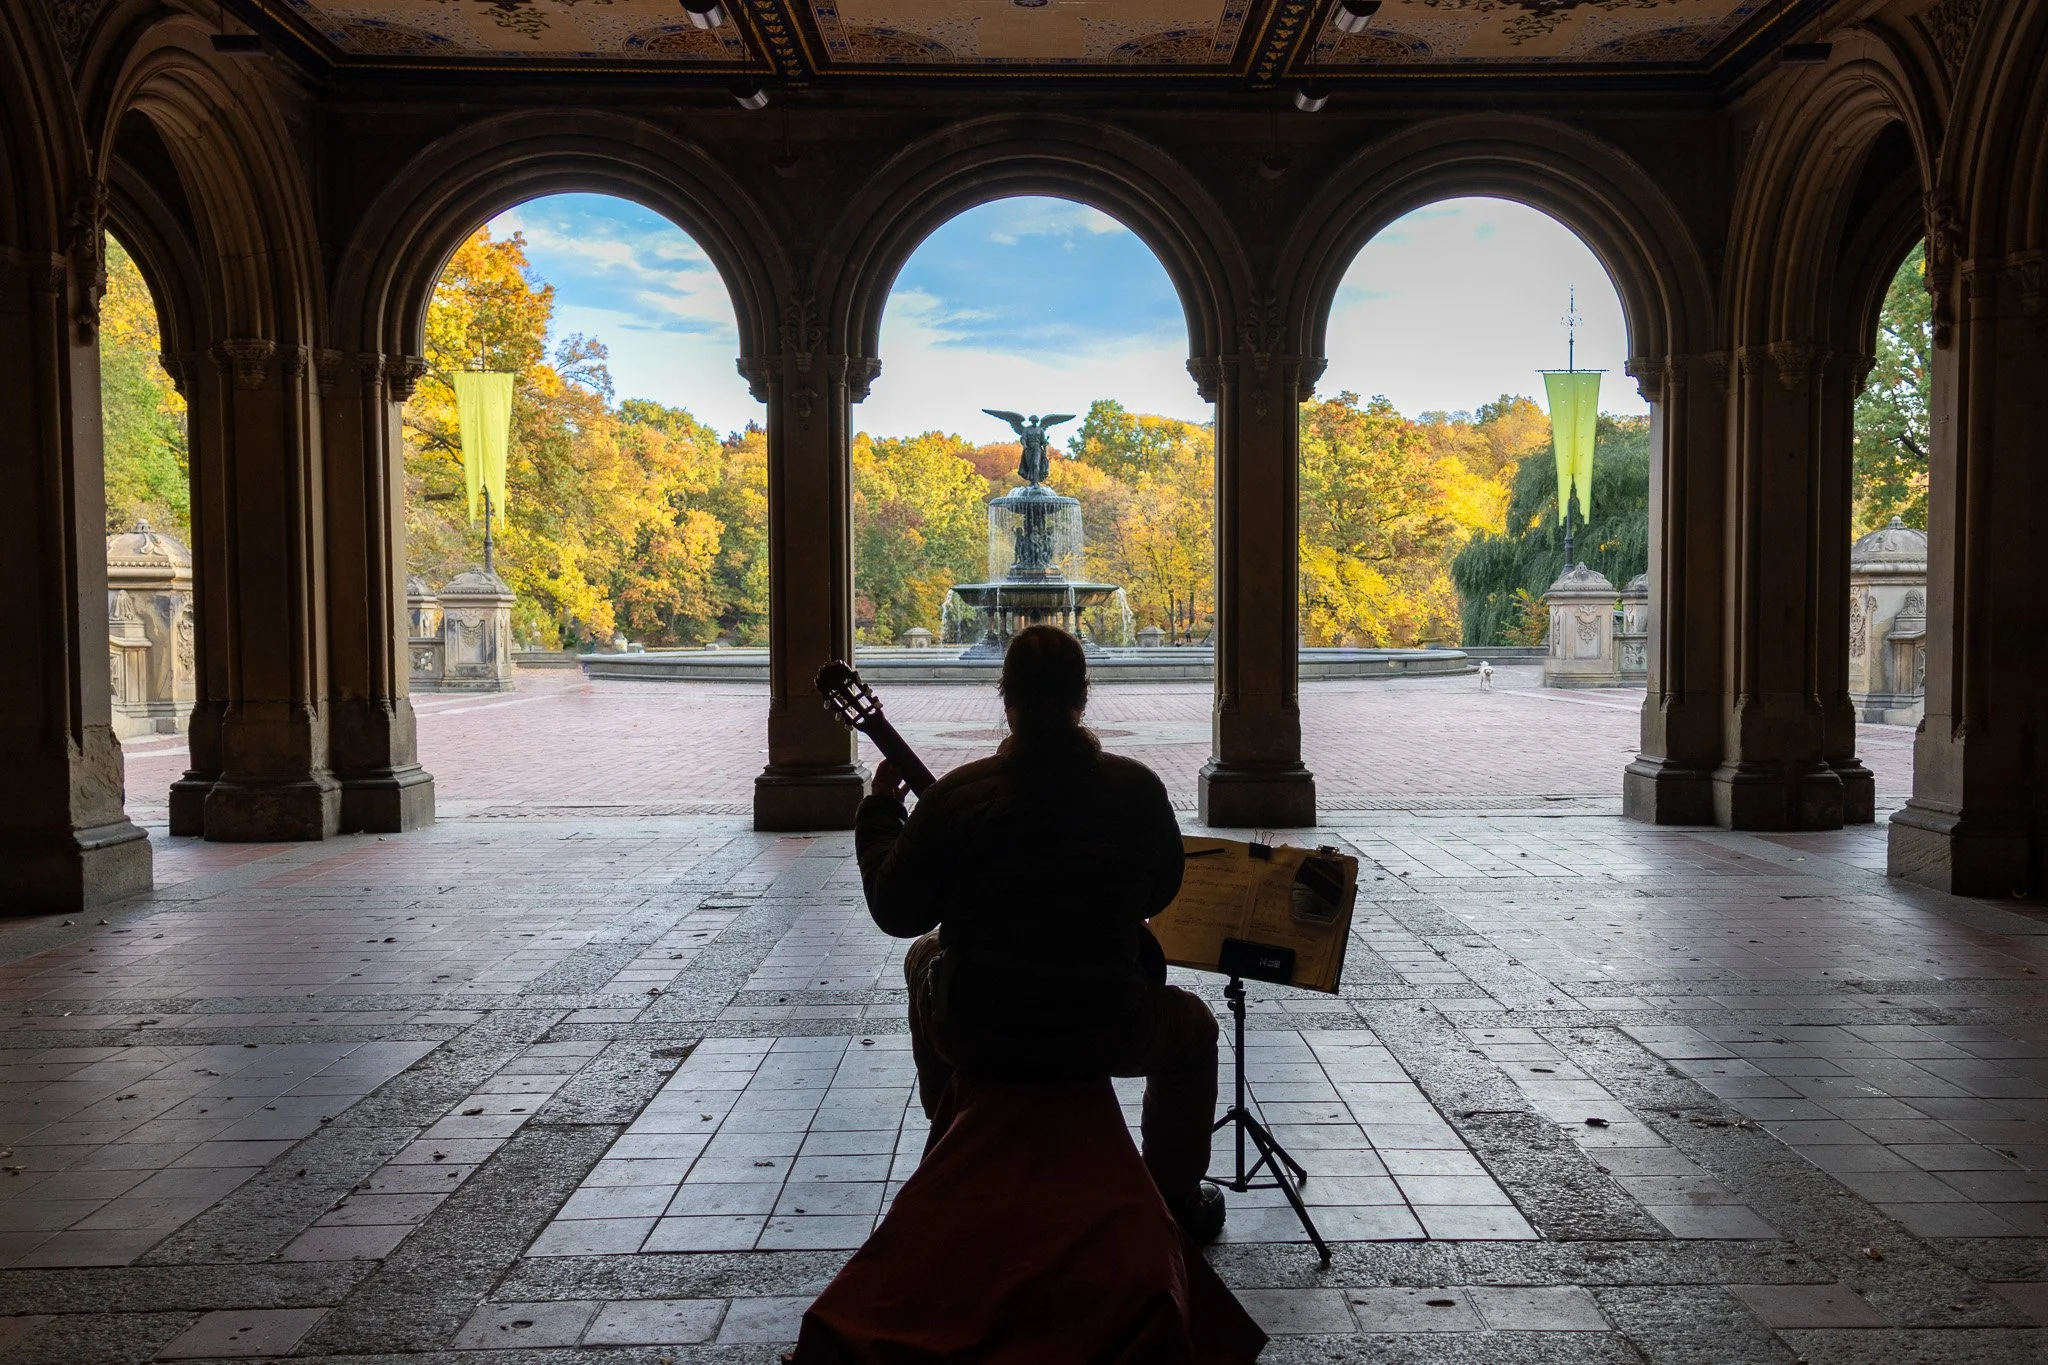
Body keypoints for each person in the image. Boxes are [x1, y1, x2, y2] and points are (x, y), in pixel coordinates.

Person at [854, 624, 1225, 1241]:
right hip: (1107, 1020)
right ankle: (1172, 1199)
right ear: (1084, 694)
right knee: (1195, 1033)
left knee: (925, 957)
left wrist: (881, 812)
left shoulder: (954, 798)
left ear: (1005, 697)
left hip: (984, 1028)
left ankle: (957, 1153)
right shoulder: (1136, 789)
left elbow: (897, 913)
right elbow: (1162, 890)